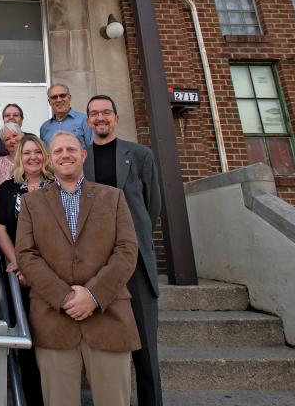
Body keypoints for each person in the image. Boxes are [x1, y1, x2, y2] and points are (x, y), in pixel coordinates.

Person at [15, 132, 140, 406]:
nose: (65, 155)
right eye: (58, 151)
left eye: (71, 149)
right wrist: (66, 297)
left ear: (83, 155)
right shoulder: (31, 203)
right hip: (54, 320)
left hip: (108, 318)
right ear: (50, 159)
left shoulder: (113, 197)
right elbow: (26, 255)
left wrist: (93, 296)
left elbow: (127, 251)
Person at [83, 94, 164, 406]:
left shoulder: (140, 155)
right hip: (96, 265)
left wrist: (133, 238)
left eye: (106, 112)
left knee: (145, 347)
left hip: (135, 263)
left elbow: (152, 205)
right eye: (94, 114)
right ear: (88, 120)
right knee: (105, 345)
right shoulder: (81, 157)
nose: (100, 118)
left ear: (115, 117)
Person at [0, 133, 53, 406]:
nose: (32, 157)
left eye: (37, 152)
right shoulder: (8, 188)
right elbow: (1, 228)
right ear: (20, 157)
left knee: (51, 338)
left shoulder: (57, 186)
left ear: (45, 156)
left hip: (54, 273)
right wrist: (19, 261)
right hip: (21, 275)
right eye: (27, 152)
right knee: (27, 339)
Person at [39, 84, 92, 148]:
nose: (59, 100)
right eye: (54, 97)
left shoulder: (85, 120)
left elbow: (91, 149)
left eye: (62, 96)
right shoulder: (44, 127)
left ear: (69, 98)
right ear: (49, 102)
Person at [0, 122, 23, 202]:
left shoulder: (32, 160)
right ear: (4, 144)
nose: (12, 140)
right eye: (7, 139)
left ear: (22, 136)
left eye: (15, 135)